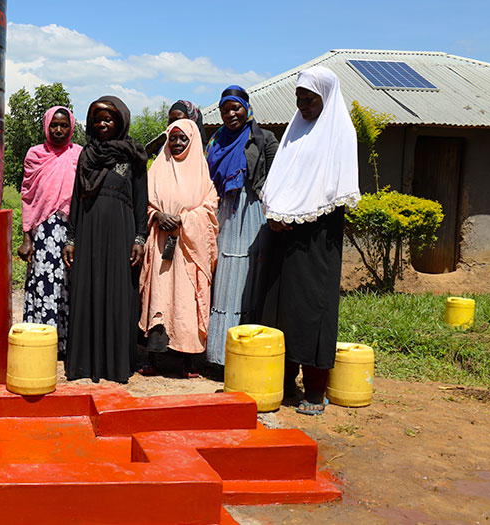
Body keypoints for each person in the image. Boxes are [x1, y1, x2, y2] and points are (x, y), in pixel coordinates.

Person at [259, 66, 360, 415]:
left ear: (326, 97)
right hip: (283, 234)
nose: (302, 105)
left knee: (311, 309)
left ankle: (315, 390)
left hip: (317, 237)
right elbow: (280, 180)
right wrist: (275, 214)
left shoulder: (339, 133)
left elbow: (332, 189)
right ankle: (284, 381)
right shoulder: (294, 131)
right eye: (299, 98)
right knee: (280, 307)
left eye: (309, 98)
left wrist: (295, 214)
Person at [62, 96, 149, 383]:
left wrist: (140, 238)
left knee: (117, 293)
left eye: (108, 119)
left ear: (120, 122)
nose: (102, 124)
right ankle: (85, 364)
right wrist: (71, 238)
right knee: (87, 289)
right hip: (88, 230)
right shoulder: (87, 155)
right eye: (97, 119)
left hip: (121, 233)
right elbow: (76, 198)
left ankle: (114, 365)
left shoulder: (133, 155)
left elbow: (141, 199)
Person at [204, 85, 279, 373]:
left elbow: (275, 178)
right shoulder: (216, 140)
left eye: (235, 108)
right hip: (222, 211)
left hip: (250, 212)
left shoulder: (263, 138)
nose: (230, 114)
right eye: (225, 110)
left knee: (246, 279)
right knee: (222, 277)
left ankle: (245, 352)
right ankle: (218, 354)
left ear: (247, 108)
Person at [138, 119, 218, 377]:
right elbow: (144, 202)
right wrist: (157, 215)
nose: (177, 143)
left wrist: (185, 219)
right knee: (159, 296)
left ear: (193, 141)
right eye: (172, 138)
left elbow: (210, 208)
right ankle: (154, 357)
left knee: (186, 299)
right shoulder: (157, 168)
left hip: (189, 249)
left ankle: (188, 360)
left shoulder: (202, 173)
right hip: (161, 244)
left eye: (183, 138)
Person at [18, 106, 82, 355]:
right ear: (46, 126)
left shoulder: (79, 154)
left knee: (69, 284)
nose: (58, 130)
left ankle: (67, 343)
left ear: (71, 127)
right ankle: (42, 342)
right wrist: (26, 237)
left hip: (73, 230)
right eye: (54, 125)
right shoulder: (35, 155)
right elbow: (27, 196)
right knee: (44, 284)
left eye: (64, 125)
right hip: (43, 232)